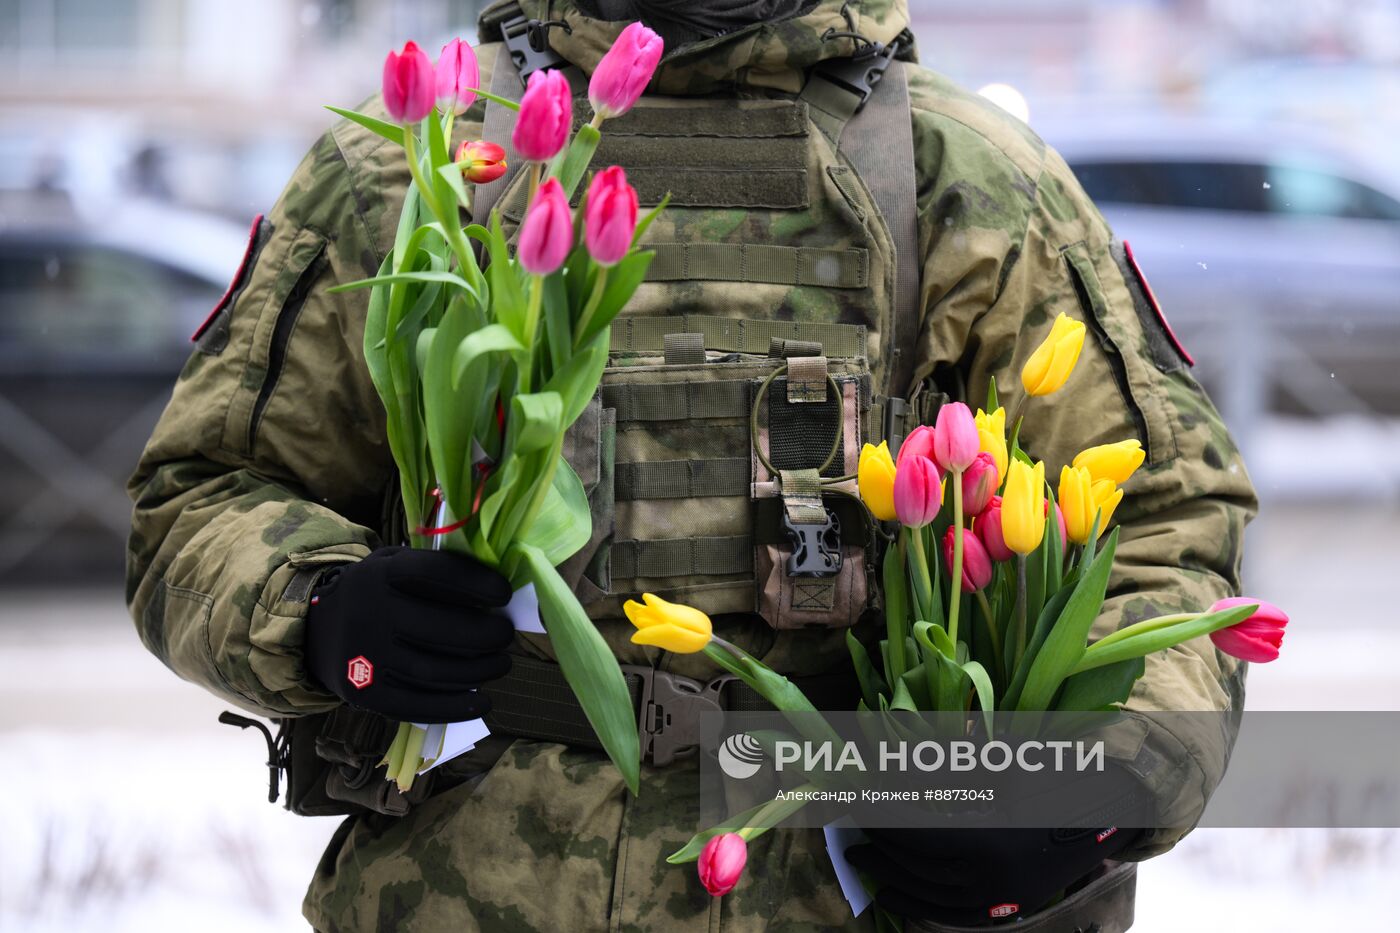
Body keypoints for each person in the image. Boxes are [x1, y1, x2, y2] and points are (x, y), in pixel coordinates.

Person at [125, 1, 1257, 930]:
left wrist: (1070, 793)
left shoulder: (958, 172)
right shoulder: (412, 165)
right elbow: (200, 496)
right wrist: (319, 610)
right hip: (471, 890)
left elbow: (1163, 534)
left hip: (860, 885)